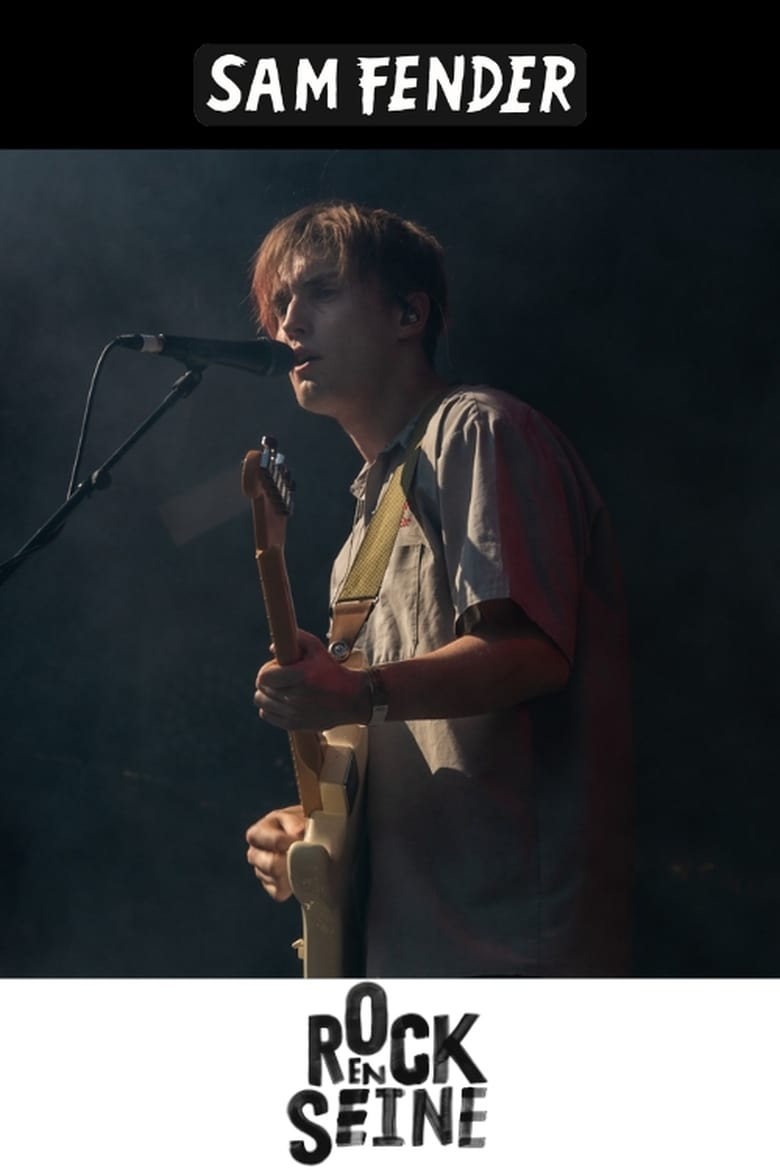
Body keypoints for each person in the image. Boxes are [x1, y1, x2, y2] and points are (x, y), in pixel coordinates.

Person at [244, 199, 633, 978]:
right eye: (280, 303)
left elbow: (528, 653)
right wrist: (318, 836)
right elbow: (392, 735)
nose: (289, 322)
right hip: (406, 952)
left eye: (320, 292)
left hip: (513, 947)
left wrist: (359, 693)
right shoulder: (366, 524)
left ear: (407, 313)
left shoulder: (478, 429)